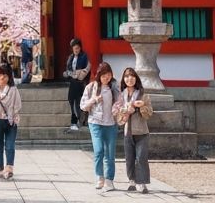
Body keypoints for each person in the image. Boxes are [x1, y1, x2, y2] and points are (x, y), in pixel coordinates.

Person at [81, 61, 119, 193]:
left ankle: (109, 180)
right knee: (98, 151)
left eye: (108, 75)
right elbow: (83, 106)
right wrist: (94, 100)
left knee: (110, 154)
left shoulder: (114, 87)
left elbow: (120, 102)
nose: (106, 77)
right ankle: (99, 176)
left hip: (111, 124)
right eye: (103, 75)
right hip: (95, 123)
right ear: (99, 75)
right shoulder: (91, 87)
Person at [114, 67, 152, 194]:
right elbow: (118, 116)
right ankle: (132, 181)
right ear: (123, 80)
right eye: (126, 76)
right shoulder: (121, 96)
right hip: (128, 131)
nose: (129, 78)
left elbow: (149, 114)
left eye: (132, 76)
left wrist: (142, 106)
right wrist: (125, 111)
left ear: (136, 78)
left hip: (141, 132)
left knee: (141, 157)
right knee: (129, 158)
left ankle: (142, 183)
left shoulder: (143, 95)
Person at [63, 37, 90, 130]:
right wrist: (68, 73)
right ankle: (74, 121)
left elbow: (86, 70)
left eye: (77, 48)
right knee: (71, 100)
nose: (76, 50)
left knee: (80, 102)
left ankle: (82, 120)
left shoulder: (84, 56)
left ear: (80, 48)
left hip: (81, 82)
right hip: (73, 82)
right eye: (74, 48)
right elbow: (68, 69)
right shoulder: (70, 57)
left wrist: (79, 73)